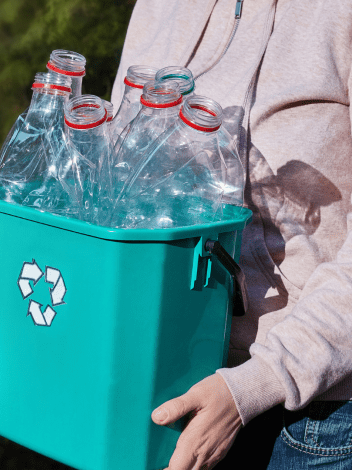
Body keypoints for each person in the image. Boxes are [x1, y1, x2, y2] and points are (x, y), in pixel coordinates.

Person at [110, 0, 352, 468]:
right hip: (177, 377)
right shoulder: (159, 7)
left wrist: (255, 382)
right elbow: (118, 191)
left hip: (320, 418)